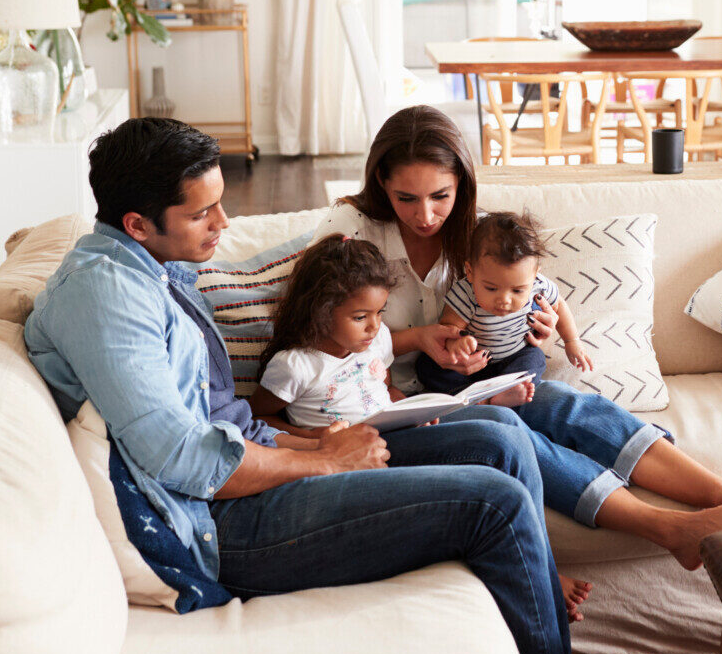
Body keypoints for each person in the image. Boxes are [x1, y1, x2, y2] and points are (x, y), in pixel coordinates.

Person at [24, 117, 579, 654]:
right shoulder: (107, 294)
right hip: (217, 523)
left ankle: (538, 607)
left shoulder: (154, 267)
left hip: (251, 466)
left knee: (498, 434)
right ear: (138, 224)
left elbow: (221, 421)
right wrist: (324, 460)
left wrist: (316, 439)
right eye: (201, 214)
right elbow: (182, 459)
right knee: (493, 504)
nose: (223, 222)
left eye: (219, 204)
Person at [308, 105, 722, 570]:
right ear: (381, 182)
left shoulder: (477, 237)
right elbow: (313, 335)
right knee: (511, 431)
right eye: (406, 199)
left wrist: (534, 332)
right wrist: (418, 339)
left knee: (566, 404)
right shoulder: (351, 230)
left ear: (461, 184)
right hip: (386, 407)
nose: (426, 215)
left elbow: (524, 300)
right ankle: (670, 529)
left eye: (441, 196)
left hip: (470, 386)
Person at [246, 233, 592, 620]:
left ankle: (539, 565)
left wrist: (408, 408)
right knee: (492, 463)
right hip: (351, 460)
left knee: (506, 426)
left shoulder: (375, 341)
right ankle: (537, 576)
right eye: (360, 318)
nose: (374, 327)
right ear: (320, 312)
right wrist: (315, 440)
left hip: (396, 434)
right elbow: (258, 419)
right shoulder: (295, 365)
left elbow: (383, 388)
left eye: (380, 313)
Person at [420, 211, 593, 397]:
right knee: (426, 366)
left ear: (534, 275)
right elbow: (448, 328)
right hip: (471, 365)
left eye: (517, 291)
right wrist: (457, 344)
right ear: (470, 272)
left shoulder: (539, 285)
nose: (504, 300)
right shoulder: (466, 293)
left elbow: (559, 305)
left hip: (514, 357)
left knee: (535, 358)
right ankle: (473, 396)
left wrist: (571, 341)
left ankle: (507, 393)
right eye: (491, 288)